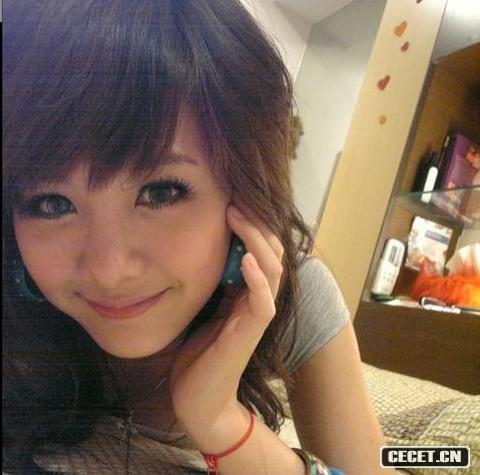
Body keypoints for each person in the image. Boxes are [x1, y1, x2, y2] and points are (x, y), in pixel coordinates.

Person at [2, 1, 393, 474]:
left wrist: (222, 422)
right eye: (51, 204)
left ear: (245, 188)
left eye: (160, 192)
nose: (109, 270)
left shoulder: (292, 292)